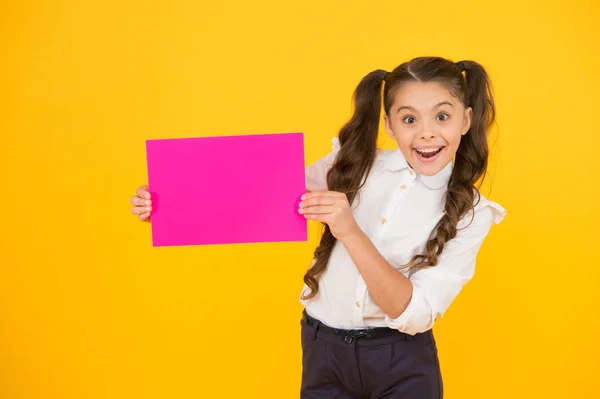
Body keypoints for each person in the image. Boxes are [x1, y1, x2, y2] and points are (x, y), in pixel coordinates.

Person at [130, 56, 506, 399]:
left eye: (442, 116)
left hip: (401, 362)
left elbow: (416, 313)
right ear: (389, 125)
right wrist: (168, 205)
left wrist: (349, 230)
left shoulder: (473, 213)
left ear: (466, 120)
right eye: (409, 119)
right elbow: (258, 196)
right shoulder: (354, 163)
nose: (426, 133)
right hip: (324, 352)